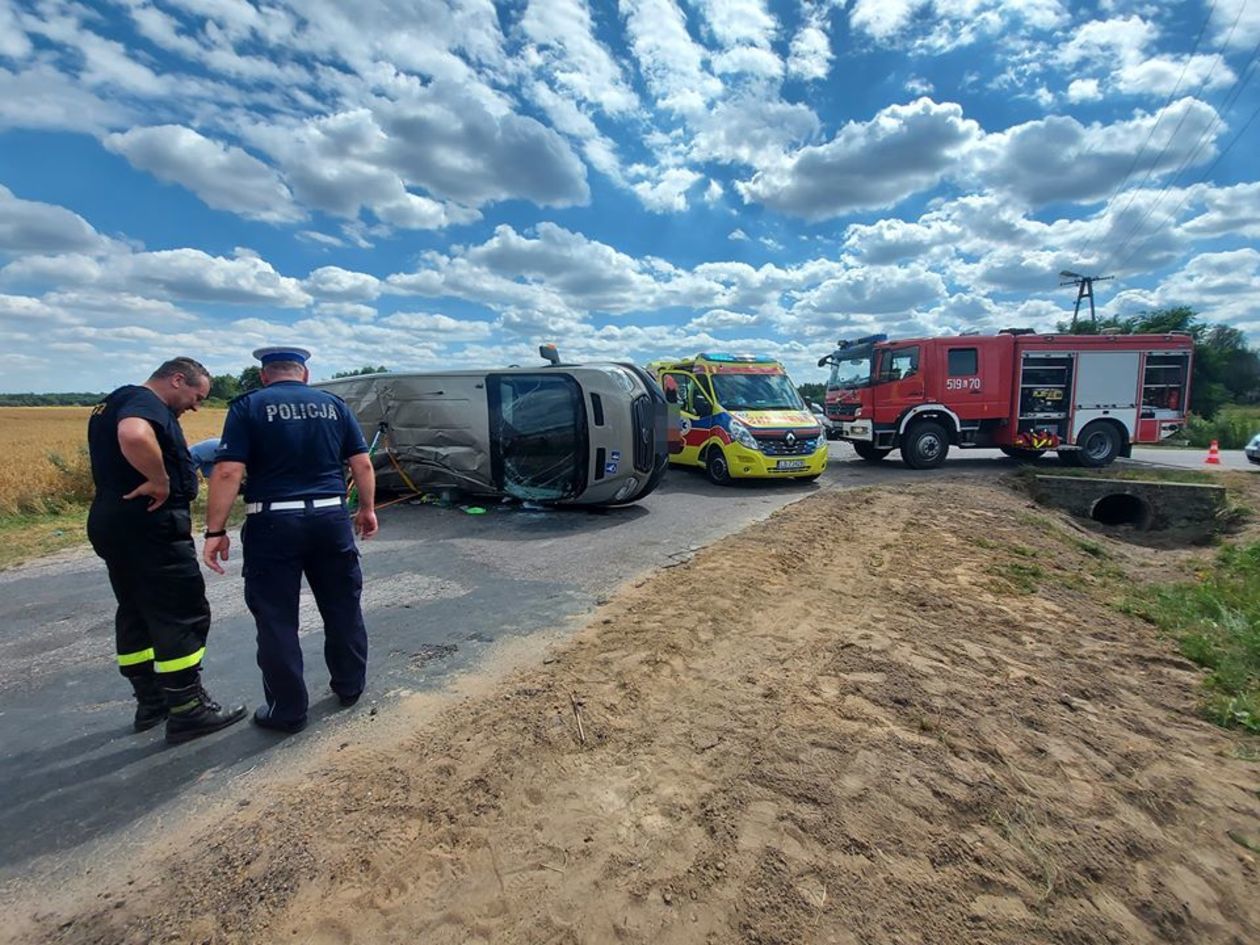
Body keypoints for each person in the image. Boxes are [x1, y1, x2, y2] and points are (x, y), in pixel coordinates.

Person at [202, 346, 378, 734]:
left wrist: (215, 531)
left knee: (277, 618)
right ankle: (350, 686)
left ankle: (288, 710)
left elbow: (229, 471)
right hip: (331, 516)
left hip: (273, 522)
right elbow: (361, 462)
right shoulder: (334, 406)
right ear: (305, 374)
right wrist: (366, 508)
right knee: (342, 605)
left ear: (264, 376)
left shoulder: (249, 406)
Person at [86, 358, 247, 743]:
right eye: (196, 396)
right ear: (177, 379)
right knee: (180, 612)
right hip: (150, 525)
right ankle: (188, 710)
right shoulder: (145, 404)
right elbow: (134, 435)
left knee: (135, 610)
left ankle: (151, 704)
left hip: (113, 520)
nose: (195, 406)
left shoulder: (112, 401)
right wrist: (159, 479)